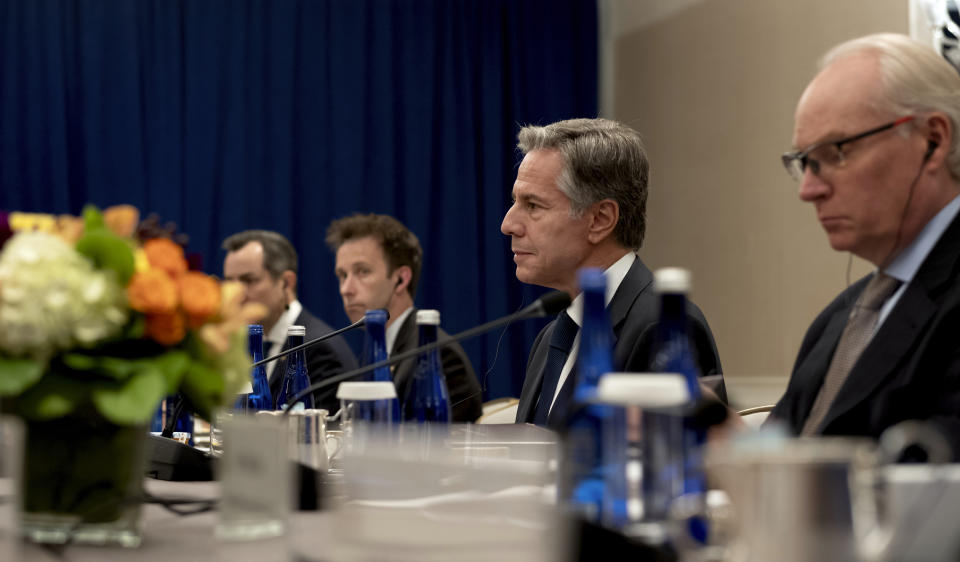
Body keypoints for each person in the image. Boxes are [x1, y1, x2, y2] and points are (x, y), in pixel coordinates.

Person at [769, 33, 960, 457]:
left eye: (835, 152)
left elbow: (934, 477)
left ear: (933, 140)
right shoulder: (841, 317)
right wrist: (715, 435)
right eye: (804, 163)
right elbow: (784, 452)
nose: (809, 190)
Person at [501, 118, 725, 426]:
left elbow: (675, 462)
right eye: (515, 202)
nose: (508, 224)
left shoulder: (665, 326)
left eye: (533, 206)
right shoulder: (551, 338)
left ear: (600, 219)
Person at [325, 213, 483, 422]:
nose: (346, 289)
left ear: (401, 279)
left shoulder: (436, 354)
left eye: (362, 271)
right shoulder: (374, 353)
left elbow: (439, 448)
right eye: (342, 275)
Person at [222, 230, 357, 412]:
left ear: (286, 282)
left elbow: (318, 433)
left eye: (249, 280)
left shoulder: (318, 348)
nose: (236, 292)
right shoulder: (244, 341)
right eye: (230, 281)